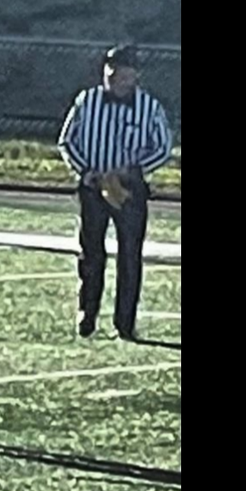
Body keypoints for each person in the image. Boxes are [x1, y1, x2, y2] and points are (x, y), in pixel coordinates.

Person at [57, 45, 173, 340]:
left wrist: (133, 171)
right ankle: (87, 312)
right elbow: (67, 141)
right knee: (91, 252)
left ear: (134, 75)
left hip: (129, 191)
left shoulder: (149, 107)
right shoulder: (87, 101)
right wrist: (87, 172)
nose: (114, 77)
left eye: (121, 72)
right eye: (110, 71)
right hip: (94, 187)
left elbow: (162, 147)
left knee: (129, 256)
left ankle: (125, 321)